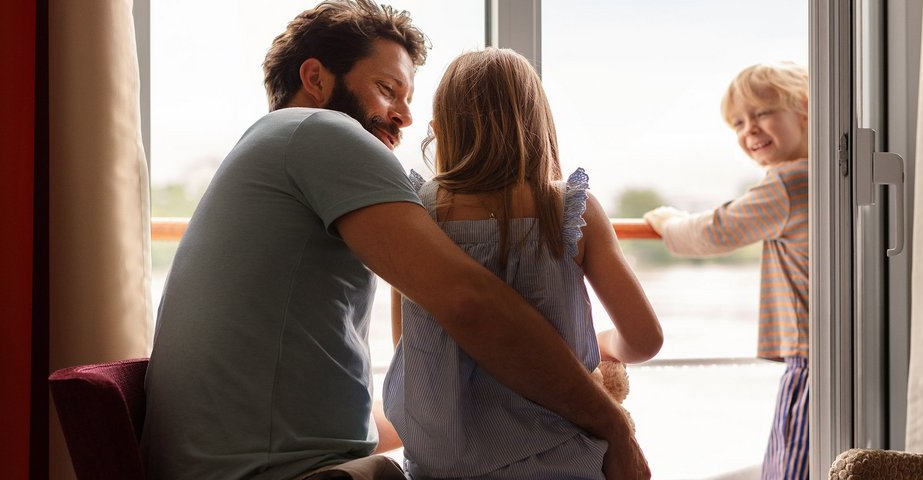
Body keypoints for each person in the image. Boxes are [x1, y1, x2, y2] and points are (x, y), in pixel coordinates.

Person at [139, 1, 648, 479]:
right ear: (315, 78)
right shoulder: (322, 132)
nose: (404, 116)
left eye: (408, 99)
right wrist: (611, 423)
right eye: (387, 89)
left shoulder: (274, 144)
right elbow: (469, 303)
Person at [381, 48, 662, 480]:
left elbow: (410, 350)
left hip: (444, 468)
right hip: (566, 460)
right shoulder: (572, 209)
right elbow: (645, 339)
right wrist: (604, 347)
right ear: (539, 125)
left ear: (440, 130)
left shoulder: (417, 215)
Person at [642, 62, 810, 480]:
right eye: (738, 122)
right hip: (833, 352)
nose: (749, 129)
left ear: (806, 111)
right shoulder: (825, 177)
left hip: (810, 356)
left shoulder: (789, 184)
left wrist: (667, 223)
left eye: (763, 113)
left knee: (795, 463)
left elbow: (714, 231)